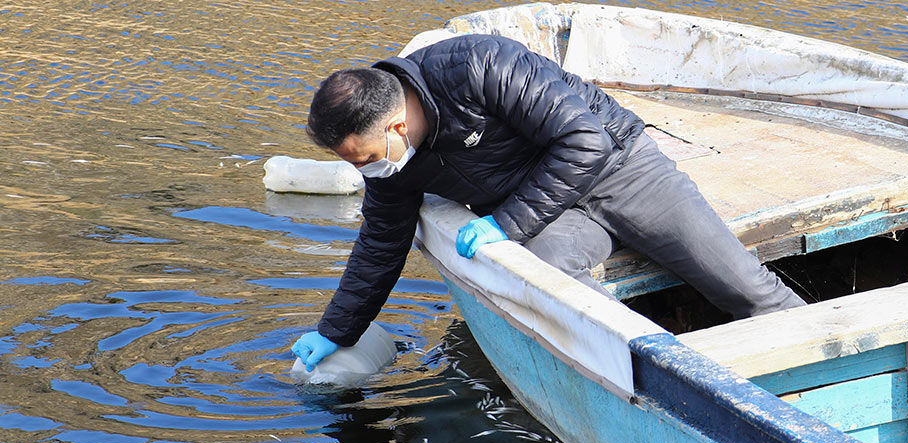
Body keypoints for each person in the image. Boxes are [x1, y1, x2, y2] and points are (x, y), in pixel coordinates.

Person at [291, 33, 804, 370]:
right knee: (556, 283)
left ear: (397, 126)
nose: (365, 172)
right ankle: (664, 373)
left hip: (620, 169)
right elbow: (381, 241)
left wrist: (505, 224)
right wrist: (337, 330)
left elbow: (585, 141)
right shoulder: (394, 161)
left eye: (366, 158)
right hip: (551, 211)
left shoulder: (476, 65)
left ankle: (817, 363)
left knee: (748, 288)